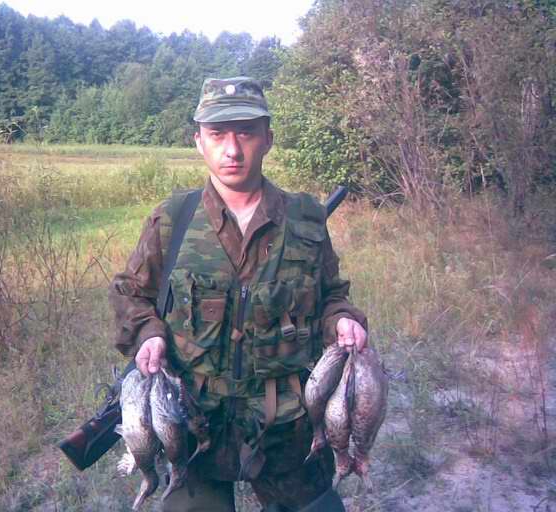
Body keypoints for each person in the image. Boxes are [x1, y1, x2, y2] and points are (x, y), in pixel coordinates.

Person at [109, 77, 368, 512]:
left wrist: (342, 319)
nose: (232, 149)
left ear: (268, 139)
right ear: (199, 142)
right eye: (217, 134)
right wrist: (148, 333)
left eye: (246, 132)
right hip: (193, 422)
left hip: (288, 426)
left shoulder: (305, 219)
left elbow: (330, 296)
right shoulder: (173, 218)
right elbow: (130, 292)